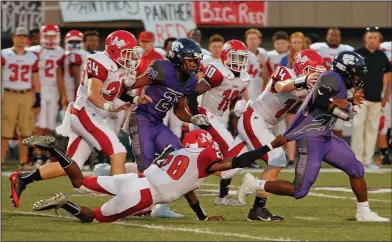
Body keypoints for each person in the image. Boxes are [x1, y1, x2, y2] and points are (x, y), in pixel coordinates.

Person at [238, 51, 389, 222]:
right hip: (311, 138)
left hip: (326, 137)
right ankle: (254, 184)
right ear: (345, 69)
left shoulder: (336, 81)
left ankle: (364, 212)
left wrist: (349, 100)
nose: (357, 77)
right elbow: (319, 99)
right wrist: (342, 111)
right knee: (299, 190)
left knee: (356, 169)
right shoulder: (332, 78)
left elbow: (327, 97)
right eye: (355, 72)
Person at [9, 30, 148, 208]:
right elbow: (92, 94)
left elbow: (117, 90)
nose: (131, 57)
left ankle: (22, 179)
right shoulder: (100, 62)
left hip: (92, 115)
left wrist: (135, 99)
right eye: (126, 52)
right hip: (85, 112)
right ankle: (123, 201)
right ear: (114, 50)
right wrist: (111, 107)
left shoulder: (119, 65)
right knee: (118, 152)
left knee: (71, 165)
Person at [24, 130, 287, 222]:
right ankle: (65, 204)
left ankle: (56, 149)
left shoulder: (178, 152)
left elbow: (189, 190)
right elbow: (237, 161)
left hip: (134, 180)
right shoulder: (206, 158)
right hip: (143, 194)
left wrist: (202, 216)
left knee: (80, 182)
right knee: (94, 217)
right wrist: (269, 147)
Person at [223, 49, 325, 221]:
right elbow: (281, 86)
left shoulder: (311, 89)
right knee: (277, 158)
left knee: (225, 170)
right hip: (254, 118)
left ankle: (184, 175)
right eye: (311, 71)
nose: (315, 76)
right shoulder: (286, 73)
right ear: (300, 68)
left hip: (263, 125)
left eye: (317, 73)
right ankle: (258, 208)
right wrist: (303, 81)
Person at [122, 38, 210, 218]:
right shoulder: (163, 68)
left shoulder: (191, 80)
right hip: (141, 120)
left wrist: (193, 118)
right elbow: (132, 85)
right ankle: (134, 204)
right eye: (191, 60)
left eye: (196, 60)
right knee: (146, 169)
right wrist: (129, 83)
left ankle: (200, 213)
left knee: (180, 163)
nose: (195, 65)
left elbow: (179, 111)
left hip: (157, 123)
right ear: (178, 58)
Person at [186, 39, 250, 206]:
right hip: (205, 115)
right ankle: (223, 192)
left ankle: (222, 197)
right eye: (235, 57)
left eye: (241, 58)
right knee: (231, 151)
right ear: (225, 56)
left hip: (218, 117)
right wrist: (195, 115)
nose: (239, 62)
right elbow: (193, 93)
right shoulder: (218, 72)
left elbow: (235, 94)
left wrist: (238, 105)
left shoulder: (244, 78)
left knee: (200, 160)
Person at [1, 26, 41, 170]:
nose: (21, 39)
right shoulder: (4, 54)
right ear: (14, 38)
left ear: (27, 39)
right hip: (9, 93)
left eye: (24, 36)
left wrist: (38, 96)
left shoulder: (32, 57)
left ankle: (23, 161)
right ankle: (1, 161)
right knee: (6, 129)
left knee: (25, 130)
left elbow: (35, 77)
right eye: (19, 36)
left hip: (26, 94)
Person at [352, 28, 392, 169]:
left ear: (379, 39)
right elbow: (351, 74)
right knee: (357, 128)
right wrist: (355, 90)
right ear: (365, 38)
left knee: (372, 129)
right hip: (360, 99)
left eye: (375, 37)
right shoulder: (357, 53)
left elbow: (389, 75)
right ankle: (356, 160)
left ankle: (367, 160)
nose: (372, 40)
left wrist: (385, 98)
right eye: (370, 37)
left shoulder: (382, 55)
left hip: (376, 99)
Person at [310, 28, 355, 138]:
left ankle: (336, 151)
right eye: (331, 35)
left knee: (338, 126)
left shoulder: (348, 50)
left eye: (336, 35)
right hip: (322, 90)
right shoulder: (316, 48)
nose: (334, 38)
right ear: (326, 36)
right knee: (319, 123)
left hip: (339, 91)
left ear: (340, 37)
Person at [28, 24, 67, 137]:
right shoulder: (34, 51)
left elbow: (61, 76)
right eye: (48, 36)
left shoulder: (61, 52)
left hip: (54, 90)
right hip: (40, 89)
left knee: (51, 124)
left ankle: (46, 151)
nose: (50, 39)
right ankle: (37, 151)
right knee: (39, 123)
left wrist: (63, 95)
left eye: (53, 36)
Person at [280, 31, 308, 168]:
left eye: (299, 42)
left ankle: (307, 157)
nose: (296, 45)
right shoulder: (286, 59)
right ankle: (291, 159)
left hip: (307, 96)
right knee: (291, 128)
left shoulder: (310, 57)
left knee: (307, 128)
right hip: (292, 96)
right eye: (294, 42)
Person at [244, 28, 269, 103]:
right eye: (250, 38)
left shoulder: (263, 53)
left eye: (255, 38)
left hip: (259, 89)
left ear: (259, 40)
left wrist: (263, 63)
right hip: (245, 90)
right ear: (246, 40)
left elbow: (266, 78)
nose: (252, 41)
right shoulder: (242, 53)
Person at [378, 40, 392, 164]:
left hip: (384, 96)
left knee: (384, 126)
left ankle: (384, 155)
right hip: (381, 95)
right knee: (382, 125)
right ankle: (384, 155)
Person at [63, 30, 85, 103]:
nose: (74, 45)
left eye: (77, 42)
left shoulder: (87, 55)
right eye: (71, 42)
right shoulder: (63, 55)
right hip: (69, 87)